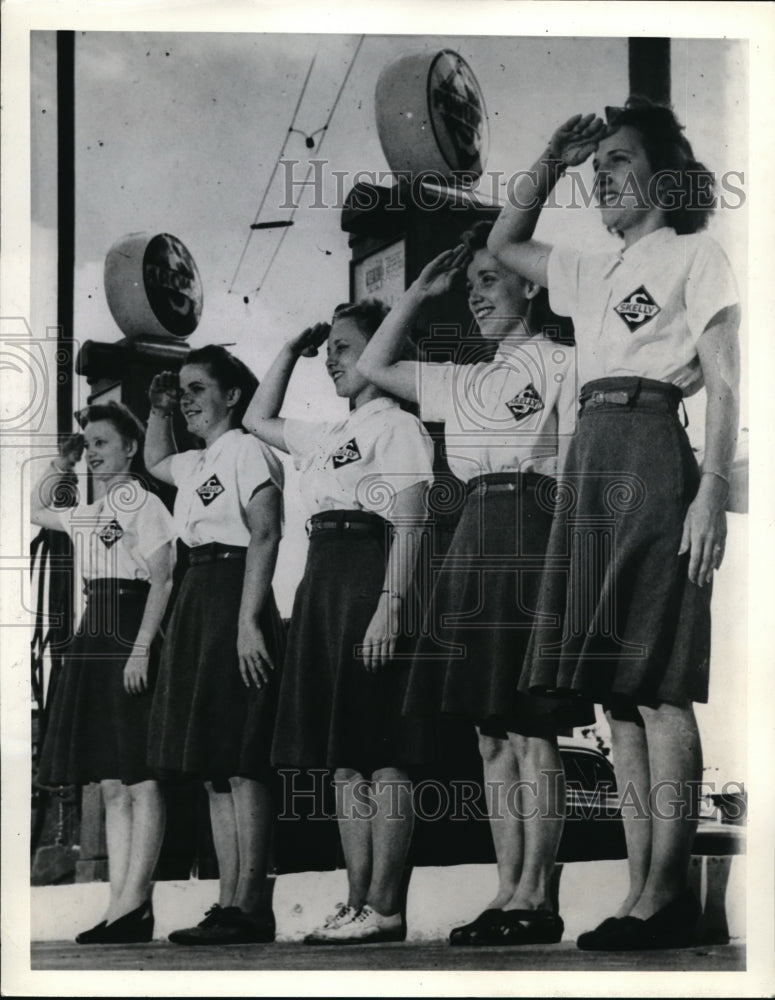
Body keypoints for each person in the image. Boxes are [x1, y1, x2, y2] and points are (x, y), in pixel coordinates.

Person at [487, 98, 740, 950]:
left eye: (619, 161)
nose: (605, 177)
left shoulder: (695, 253)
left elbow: (726, 381)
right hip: (589, 454)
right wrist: (552, 159)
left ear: (663, 176)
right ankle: (639, 893)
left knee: (658, 681)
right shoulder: (589, 265)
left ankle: (667, 892)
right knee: (614, 693)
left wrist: (709, 490)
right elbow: (501, 244)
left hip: (651, 443)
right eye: (598, 167)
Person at [357, 224, 593, 947]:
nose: (476, 297)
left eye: (490, 280)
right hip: (472, 535)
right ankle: (504, 889)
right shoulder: (459, 375)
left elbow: (574, 461)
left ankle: (538, 895)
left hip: (534, 527)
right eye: (469, 289)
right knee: (490, 733)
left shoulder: (562, 361)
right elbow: (374, 362)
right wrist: (419, 295)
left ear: (529, 282)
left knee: (531, 724)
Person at [242, 300, 434, 944]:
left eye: (345, 349)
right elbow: (256, 417)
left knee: (383, 754)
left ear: (385, 352)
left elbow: (410, 523)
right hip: (323, 581)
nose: (333, 362)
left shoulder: (398, 428)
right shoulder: (328, 434)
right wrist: (294, 345)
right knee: (342, 760)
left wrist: (391, 606)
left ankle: (386, 904)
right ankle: (356, 902)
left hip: (370, 575)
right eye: (330, 354)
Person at [145, 345, 285, 945]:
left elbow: (266, 530)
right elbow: (155, 460)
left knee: (241, 760)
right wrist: (157, 409)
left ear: (232, 395)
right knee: (212, 768)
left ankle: (252, 903)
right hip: (198, 593)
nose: (187, 400)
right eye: (183, 389)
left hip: (234, 590)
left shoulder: (247, 449)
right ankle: (228, 900)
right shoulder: (198, 461)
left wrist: (249, 620)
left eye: (198, 388)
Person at [33, 401, 175, 944]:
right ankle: (120, 904)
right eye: (88, 444)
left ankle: (138, 901)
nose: (94, 453)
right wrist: (61, 463)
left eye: (102, 444)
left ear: (131, 448)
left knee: (141, 775)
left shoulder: (146, 504)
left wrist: (142, 648)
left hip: (131, 625)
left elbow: (163, 579)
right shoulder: (89, 509)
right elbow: (36, 508)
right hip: (95, 629)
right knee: (113, 783)